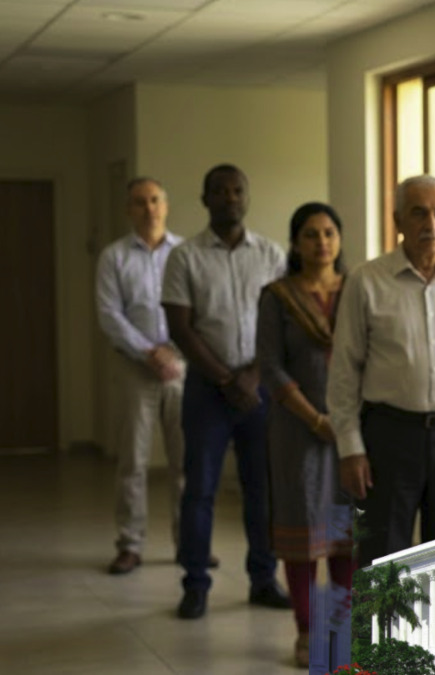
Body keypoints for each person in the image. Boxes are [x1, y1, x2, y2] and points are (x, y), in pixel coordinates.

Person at [162, 163, 290, 619]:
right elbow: (180, 327)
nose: (230, 197)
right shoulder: (185, 257)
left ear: (247, 197)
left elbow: (280, 324)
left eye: (238, 190)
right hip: (206, 390)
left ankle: (263, 578)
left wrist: (253, 376)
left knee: (262, 489)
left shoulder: (272, 255)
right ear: (205, 198)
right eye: (220, 190)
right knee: (200, 489)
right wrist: (224, 378)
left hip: (259, 389)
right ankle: (195, 584)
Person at [328, 175, 435, 565]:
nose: (431, 224)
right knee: (381, 560)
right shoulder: (367, 282)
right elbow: (343, 371)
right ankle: (379, 631)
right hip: (389, 437)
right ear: (397, 220)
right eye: (419, 213)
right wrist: (350, 448)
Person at [256, 202, 355, 667]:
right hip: (298, 432)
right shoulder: (277, 297)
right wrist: (316, 419)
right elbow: (271, 367)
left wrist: (347, 421)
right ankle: (306, 633)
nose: (322, 243)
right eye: (311, 234)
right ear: (296, 243)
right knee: (302, 535)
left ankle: (341, 631)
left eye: (329, 233)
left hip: (353, 431)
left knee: (344, 535)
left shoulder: (357, 290)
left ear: (339, 239)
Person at [95, 177, 195, 575]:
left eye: (155, 200)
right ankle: (130, 544)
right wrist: (148, 351)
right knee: (133, 461)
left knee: (185, 460)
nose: (149, 208)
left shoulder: (184, 253)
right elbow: (109, 314)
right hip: (135, 366)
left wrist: (173, 351)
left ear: (166, 206)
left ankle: (189, 544)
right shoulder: (114, 257)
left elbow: (195, 310)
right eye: (140, 202)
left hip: (181, 366)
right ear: (128, 210)